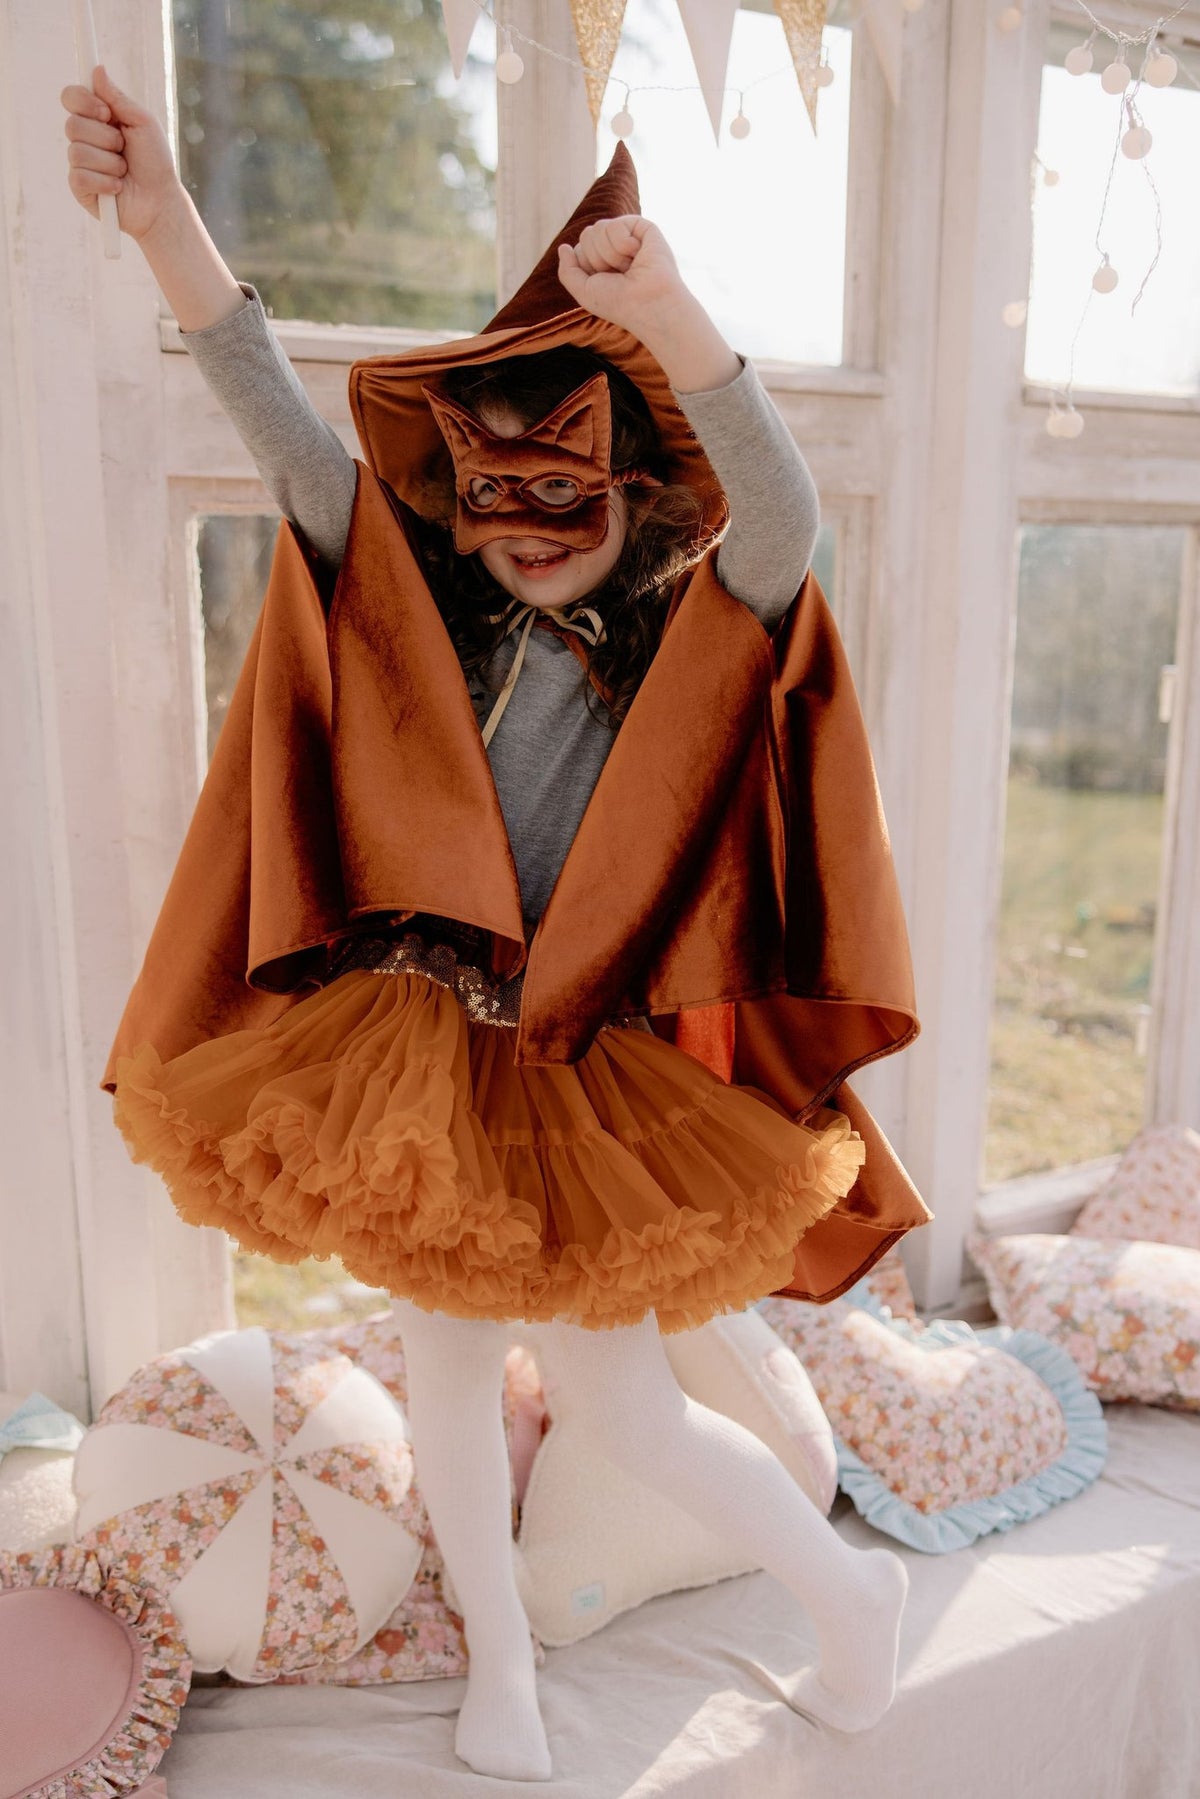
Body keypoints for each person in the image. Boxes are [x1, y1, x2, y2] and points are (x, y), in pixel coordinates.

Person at [63, 64, 928, 1783]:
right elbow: (268, 411)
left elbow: (790, 513)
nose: (528, 529)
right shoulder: (408, 597)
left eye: (572, 495)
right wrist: (162, 218)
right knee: (445, 1372)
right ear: (451, 488)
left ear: (631, 497)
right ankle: (504, 1662)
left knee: (625, 1410)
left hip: (585, 1060)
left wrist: (671, 309)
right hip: (411, 1043)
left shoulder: (696, 619)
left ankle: (850, 1604)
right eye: (495, 494)